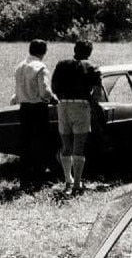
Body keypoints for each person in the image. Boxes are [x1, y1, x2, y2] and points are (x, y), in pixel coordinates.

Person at [51, 40, 102, 195]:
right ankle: (77, 184)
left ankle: (68, 180)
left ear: (75, 49)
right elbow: (98, 93)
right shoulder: (92, 67)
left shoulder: (61, 64)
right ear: (90, 52)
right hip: (80, 106)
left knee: (66, 146)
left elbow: (54, 87)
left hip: (63, 106)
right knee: (78, 147)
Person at [10, 39, 58, 191]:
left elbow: (17, 92)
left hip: (24, 109)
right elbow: (44, 91)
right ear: (43, 51)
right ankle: (39, 180)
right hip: (38, 109)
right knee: (41, 143)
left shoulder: (20, 66)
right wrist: (53, 99)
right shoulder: (40, 67)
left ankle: (24, 179)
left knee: (26, 144)